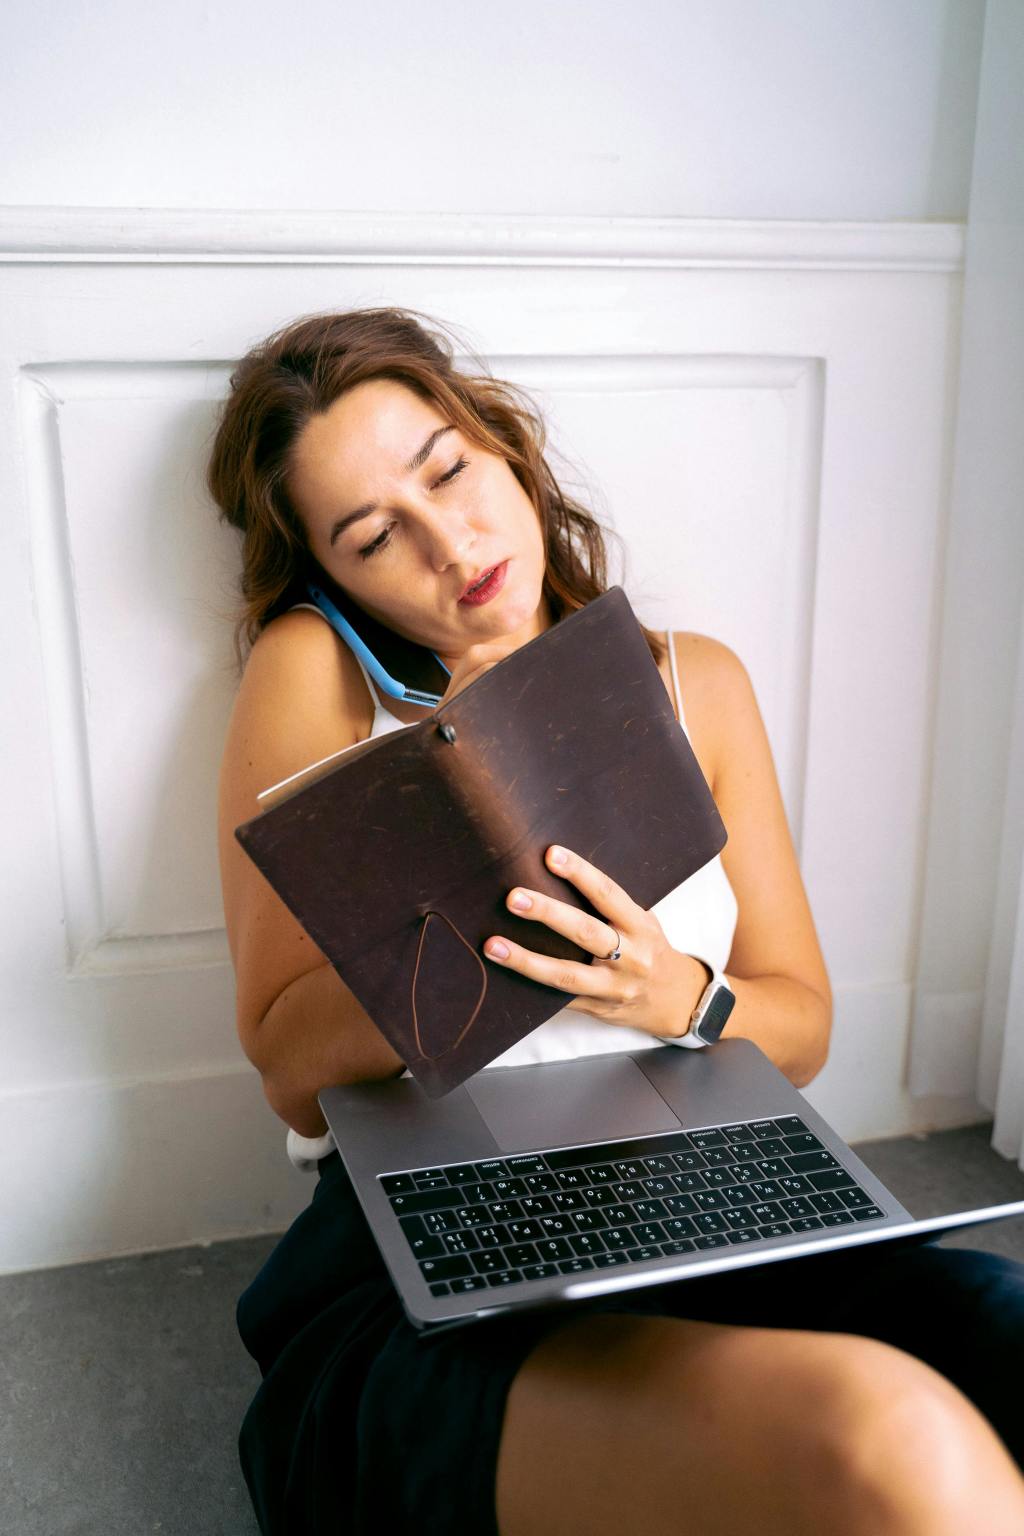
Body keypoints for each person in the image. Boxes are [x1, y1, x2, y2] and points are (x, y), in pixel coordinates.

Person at [208, 307, 1024, 1536]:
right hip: (441, 1249)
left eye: (450, 471)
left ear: (503, 446)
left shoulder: (697, 679)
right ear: (334, 576)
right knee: (883, 1437)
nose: (447, 542)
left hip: (702, 1193)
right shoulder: (311, 671)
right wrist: (460, 838)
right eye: (376, 536)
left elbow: (796, 1024)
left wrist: (677, 997)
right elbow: (286, 1066)